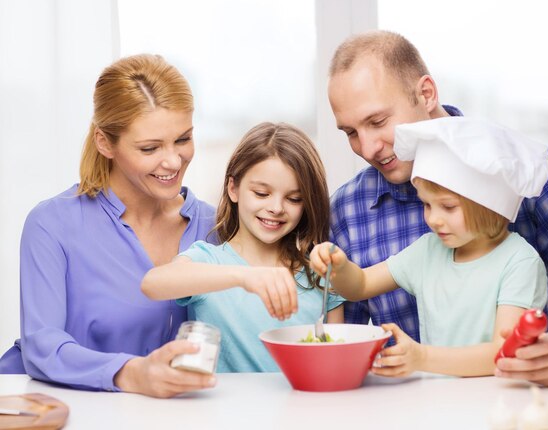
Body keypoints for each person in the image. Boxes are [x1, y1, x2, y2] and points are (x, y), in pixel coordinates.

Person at [327, 30, 548, 385]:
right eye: (350, 133)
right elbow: (348, 350)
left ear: (426, 93)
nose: (368, 148)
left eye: (377, 122)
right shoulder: (349, 209)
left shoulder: (528, 174)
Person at [0, 54, 217, 398]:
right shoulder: (52, 225)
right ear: (105, 142)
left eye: (183, 139)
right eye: (149, 148)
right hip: (59, 407)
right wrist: (132, 374)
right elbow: (42, 346)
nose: (174, 161)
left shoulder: (213, 226)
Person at [311, 117, 548, 376]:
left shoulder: (519, 262)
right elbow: (361, 285)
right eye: (427, 204)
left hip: (495, 406)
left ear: (488, 204)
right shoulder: (429, 251)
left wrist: (421, 357)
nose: (433, 219)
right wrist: (339, 266)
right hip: (434, 403)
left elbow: (503, 353)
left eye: (448, 207)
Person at [141, 122, 345, 372]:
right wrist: (245, 276)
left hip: (305, 410)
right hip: (224, 411)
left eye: (294, 199)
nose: (277, 207)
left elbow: (337, 365)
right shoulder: (209, 260)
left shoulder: (320, 276)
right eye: (261, 193)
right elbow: (152, 284)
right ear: (233, 188)